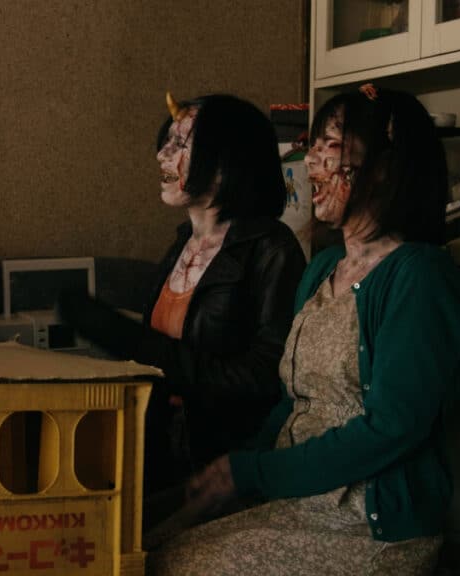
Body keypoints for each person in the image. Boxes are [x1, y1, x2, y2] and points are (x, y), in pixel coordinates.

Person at [146, 86, 460, 575]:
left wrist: (254, 472)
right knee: (145, 544)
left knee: (178, 564)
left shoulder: (419, 277)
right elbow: (291, 402)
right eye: (313, 147)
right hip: (299, 499)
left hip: (367, 522)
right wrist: (236, 468)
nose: (312, 164)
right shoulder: (323, 268)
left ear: (384, 167)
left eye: (331, 148)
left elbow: (392, 428)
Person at [59, 94, 306, 503]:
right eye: (167, 142)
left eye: (180, 144)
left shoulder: (273, 250)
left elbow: (267, 378)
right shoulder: (183, 244)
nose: (162, 154)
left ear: (227, 163)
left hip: (218, 471)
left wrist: (124, 336)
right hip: (162, 453)